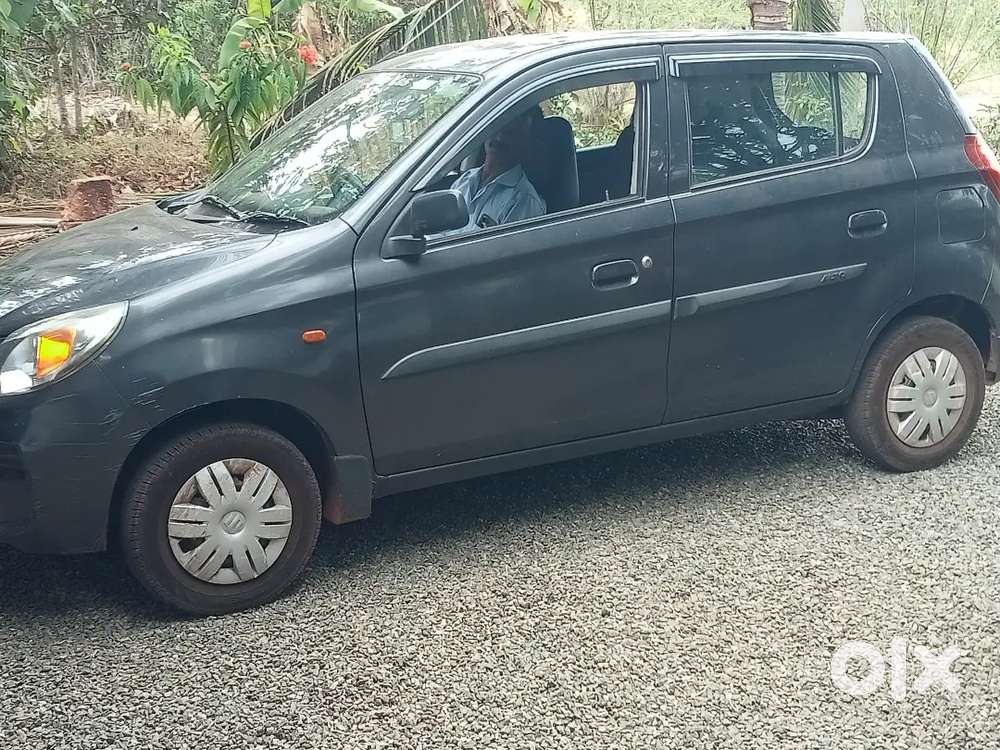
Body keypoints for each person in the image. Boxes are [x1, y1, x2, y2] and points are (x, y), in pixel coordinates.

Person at [449, 107, 547, 233]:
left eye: (511, 133)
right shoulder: (464, 180)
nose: (499, 138)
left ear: (526, 142)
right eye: (497, 127)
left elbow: (510, 246)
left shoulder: (524, 201)